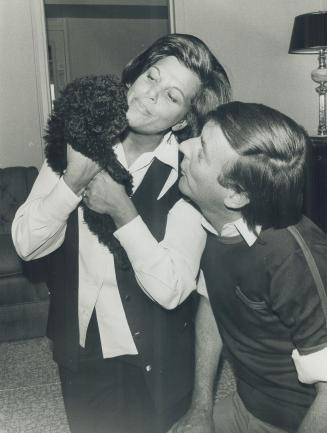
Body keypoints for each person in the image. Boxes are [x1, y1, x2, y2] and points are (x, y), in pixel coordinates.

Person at [11, 34, 230, 433]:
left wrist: (121, 209)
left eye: (171, 96)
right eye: (151, 77)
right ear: (133, 75)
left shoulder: (189, 175)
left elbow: (174, 289)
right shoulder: (73, 139)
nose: (148, 96)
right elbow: (27, 245)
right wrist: (72, 180)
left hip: (159, 360)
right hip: (81, 349)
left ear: (182, 119)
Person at [169, 102, 327, 433]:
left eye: (201, 152)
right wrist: (201, 409)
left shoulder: (291, 259)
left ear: (236, 196)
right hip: (248, 401)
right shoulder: (213, 220)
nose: (183, 144)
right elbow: (212, 301)